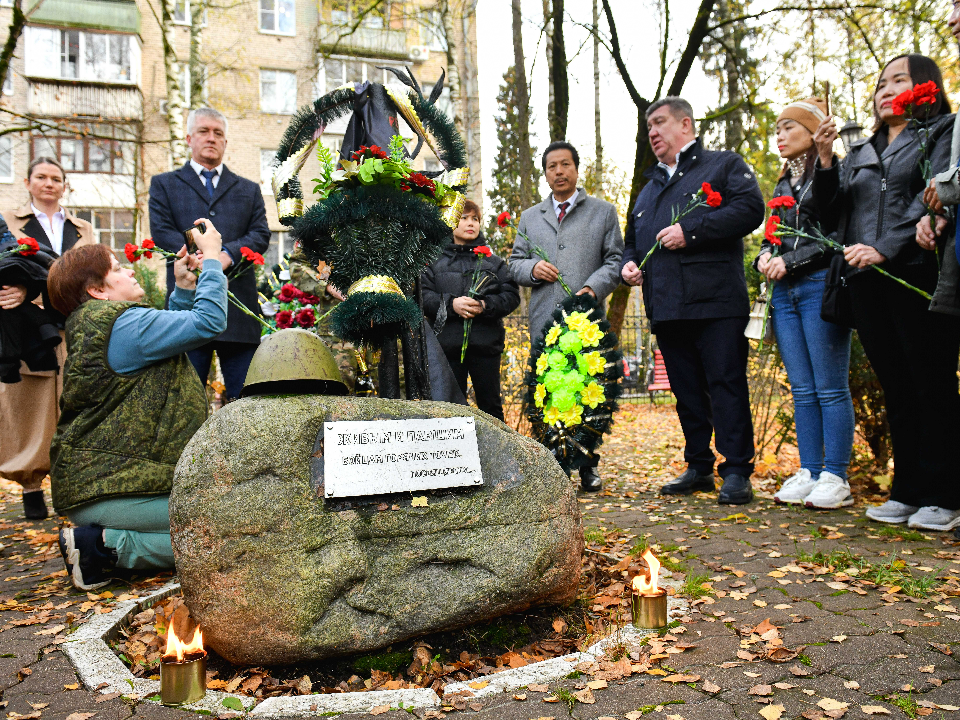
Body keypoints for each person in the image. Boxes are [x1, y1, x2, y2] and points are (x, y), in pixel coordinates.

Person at [814, 54, 960, 531]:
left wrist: (884, 248)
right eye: (880, 83)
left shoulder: (940, 133)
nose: (885, 90)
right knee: (896, 387)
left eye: (899, 80)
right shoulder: (858, 150)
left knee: (931, 383)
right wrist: (825, 158)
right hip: (865, 281)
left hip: (915, 271)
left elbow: (932, 196)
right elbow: (828, 210)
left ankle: (945, 494)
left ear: (926, 88)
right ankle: (908, 491)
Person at [48, 221, 227, 590]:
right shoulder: (122, 325)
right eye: (117, 268)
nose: (129, 269)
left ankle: (99, 543)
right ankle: (104, 546)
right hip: (112, 490)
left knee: (225, 527)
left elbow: (162, 345)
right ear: (98, 290)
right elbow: (209, 322)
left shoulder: (99, 325)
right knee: (230, 526)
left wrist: (182, 287)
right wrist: (211, 257)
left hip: (102, 487)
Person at [621, 97, 765, 505]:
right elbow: (632, 243)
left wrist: (691, 229)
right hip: (667, 308)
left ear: (686, 124)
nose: (652, 131)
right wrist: (629, 267)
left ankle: (736, 469)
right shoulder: (648, 192)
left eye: (660, 122)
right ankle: (698, 465)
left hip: (716, 302)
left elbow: (751, 209)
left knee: (725, 383)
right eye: (649, 125)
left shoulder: (723, 165)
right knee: (685, 390)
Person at [755, 99, 856, 509]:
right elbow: (771, 234)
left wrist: (789, 260)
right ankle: (811, 470)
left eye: (788, 128)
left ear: (812, 131)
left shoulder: (831, 172)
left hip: (818, 286)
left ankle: (836, 475)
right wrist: (763, 254)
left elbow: (833, 225)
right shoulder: (782, 183)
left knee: (830, 387)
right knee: (801, 388)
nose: (779, 136)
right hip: (785, 294)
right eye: (776, 129)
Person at [509, 141, 624, 491]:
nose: (558, 172)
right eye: (551, 167)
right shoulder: (530, 217)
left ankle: (588, 464)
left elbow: (615, 261)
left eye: (565, 165)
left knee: (588, 392)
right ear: (545, 173)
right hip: (545, 320)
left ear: (576, 168)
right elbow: (513, 264)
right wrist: (532, 268)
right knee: (549, 392)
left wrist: (593, 288)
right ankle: (555, 466)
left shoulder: (602, 212)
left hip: (586, 321)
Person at [149, 107, 270, 402]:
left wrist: (224, 255)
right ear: (189, 138)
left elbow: (260, 234)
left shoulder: (249, 189)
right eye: (204, 131)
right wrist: (199, 257)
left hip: (238, 312)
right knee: (184, 403)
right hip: (187, 311)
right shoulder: (164, 184)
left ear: (226, 143)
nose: (211, 138)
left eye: (218, 133)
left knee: (247, 402)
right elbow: (162, 232)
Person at [0, 157, 94, 520]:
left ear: (64, 185)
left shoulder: (81, 227)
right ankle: (30, 484)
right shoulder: (10, 223)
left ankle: (69, 482)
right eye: (41, 177)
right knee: (30, 401)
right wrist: (21, 292)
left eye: (56, 178)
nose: (49, 184)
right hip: (27, 325)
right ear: (27, 182)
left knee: (72, 401)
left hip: (72, 323)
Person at [422, 199, 520, 421]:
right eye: (464, 217)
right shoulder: (433, 262)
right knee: (448, 411)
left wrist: (485, 306)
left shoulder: (494, 263)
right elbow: (423, 296)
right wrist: (451, 304)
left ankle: (497, 455)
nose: (470, 223)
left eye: (475, 218)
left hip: (485, 346)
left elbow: (511, 296)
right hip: (447, 347)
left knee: (491, 408)